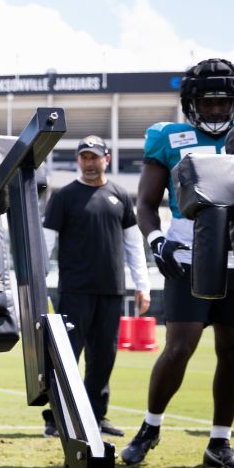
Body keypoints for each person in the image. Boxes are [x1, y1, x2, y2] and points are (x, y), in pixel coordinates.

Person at [121, 58, 234, 468]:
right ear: (191, 103)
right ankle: (150, 426)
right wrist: (157, 240)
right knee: (180, 346)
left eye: (223, 102)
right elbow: (145, 203)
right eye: (207, 102)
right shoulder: (168, 137)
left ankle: (220, 443)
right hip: (188, 254)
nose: (215, 110)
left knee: (233, 352)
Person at [39, 136, 150, 439]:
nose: (89, 163)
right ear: (78, 160)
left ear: (107, 159)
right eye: (84, 157)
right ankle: (56, 418)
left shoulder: (120, 196)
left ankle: (95, 417)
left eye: (95, 157)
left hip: (111, 291)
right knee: (67, 356)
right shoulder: (63, 196)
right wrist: (37, 281)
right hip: (74, 291)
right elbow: (46, 244)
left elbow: (133, 245)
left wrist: (143, 286)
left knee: (103, 358)